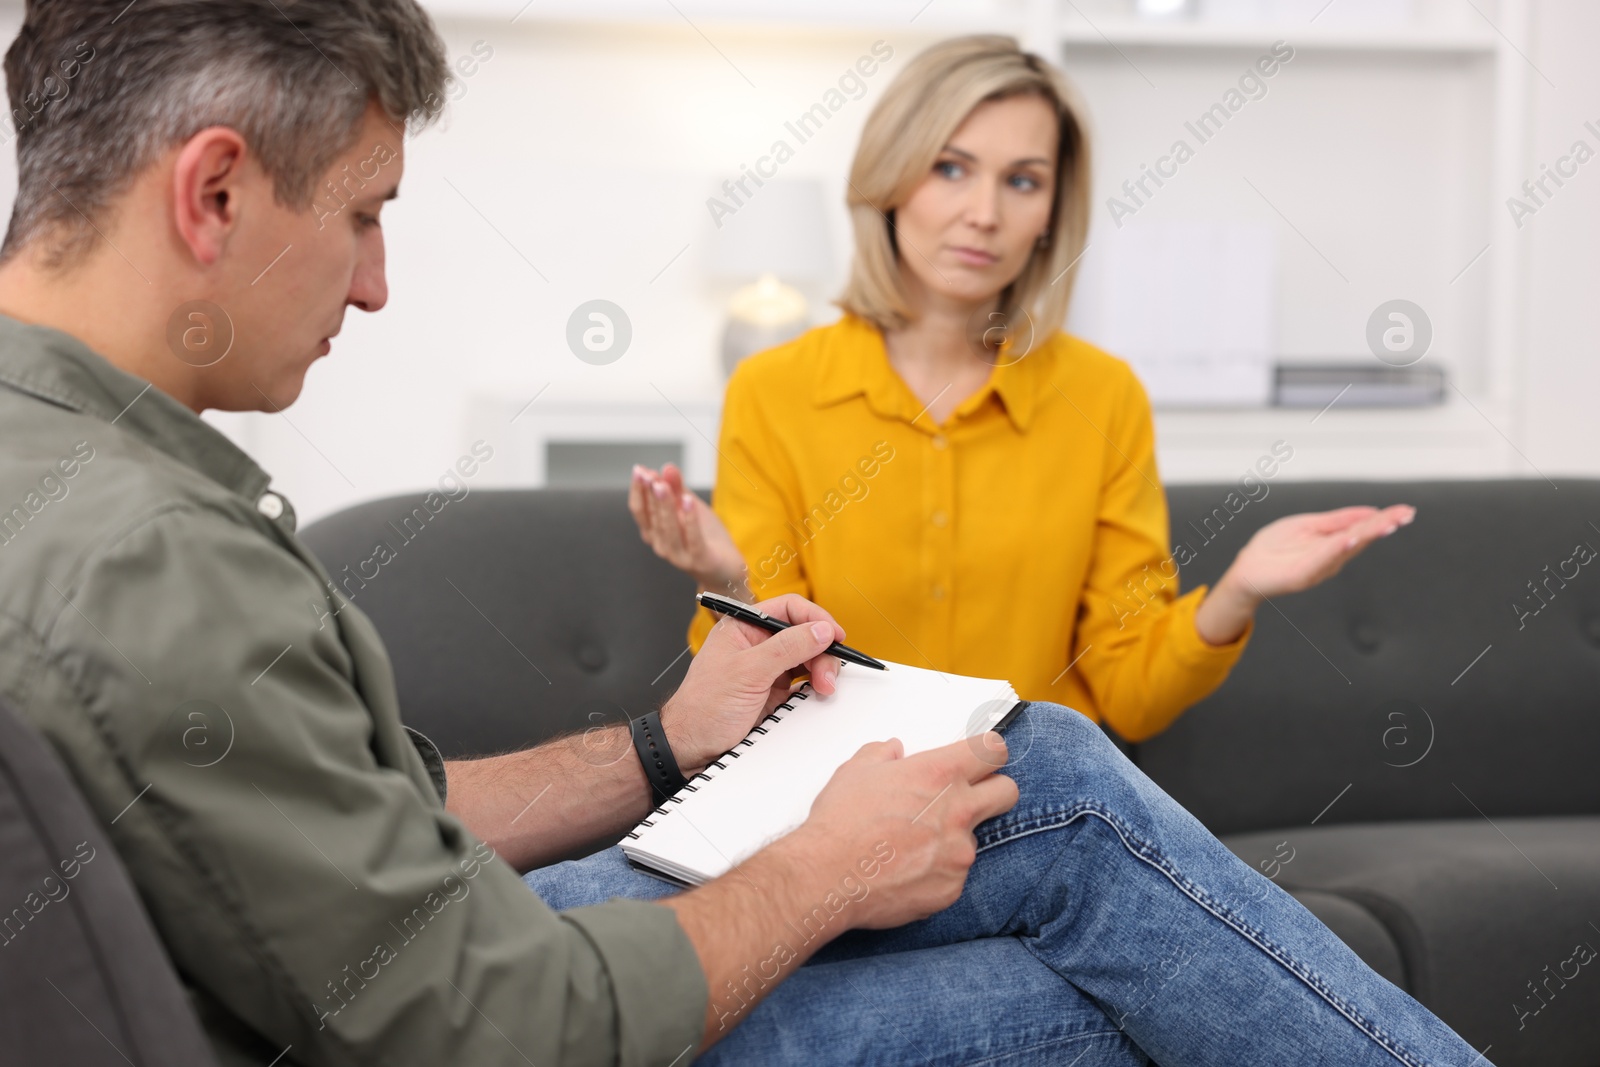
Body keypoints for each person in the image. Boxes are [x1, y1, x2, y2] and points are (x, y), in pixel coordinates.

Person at [0, 3, 1487, 1065]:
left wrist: (663, 744)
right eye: (364, 216)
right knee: (1095, 917)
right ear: (211, 191)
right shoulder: (150, 555)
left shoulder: (56, 464)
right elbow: (492, 1020)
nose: (376, 284)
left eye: (1022, 179)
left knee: (1092, 856)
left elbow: (388, 805)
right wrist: (827, 868)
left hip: (364, 968)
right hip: (444, 1009)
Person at [631, 36, 1415, 742]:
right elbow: (769, 688)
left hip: (1037, 803)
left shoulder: (1103, 395)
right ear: (891, 178)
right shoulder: (776, 389)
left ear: (1050, 214)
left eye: (1023, 181)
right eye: (950, 168)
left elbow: (1130, 694)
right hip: (837, 796)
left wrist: (1237, 591)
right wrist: (726, 583)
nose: (984, 214)